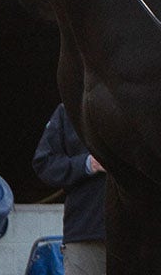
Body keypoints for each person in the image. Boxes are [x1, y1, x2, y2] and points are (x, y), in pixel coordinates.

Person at [32, 104, 106, 275]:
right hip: (86, 233)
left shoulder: (140, 104)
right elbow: (44, 163)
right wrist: (89, 164)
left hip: (139, 235)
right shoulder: (71, 109)